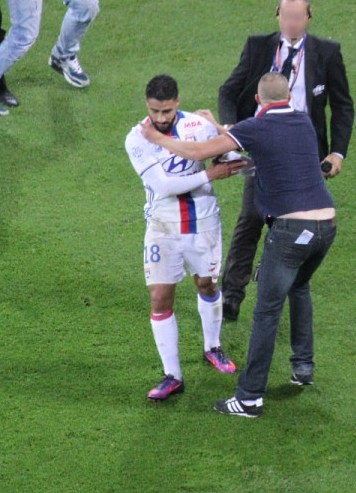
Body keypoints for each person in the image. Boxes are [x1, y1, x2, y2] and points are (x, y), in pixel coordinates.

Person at [141, 72, 339, 417]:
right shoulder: (303, 121)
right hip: (326, 227)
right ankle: (302, 366)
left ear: (259, 101)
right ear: (287, 97)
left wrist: (158, 138)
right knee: (301, 288)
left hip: (292, 231)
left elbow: (201, 151)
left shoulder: (255, 126)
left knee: (266, 311)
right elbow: (252, 146)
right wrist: (221, 127)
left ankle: (249, 398)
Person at [217, 0, 353, 320]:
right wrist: (232, 129)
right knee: (250, 218)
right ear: (277, 14)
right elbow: (229, 90)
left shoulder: (327, 53)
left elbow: (342, 105)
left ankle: (272, 274)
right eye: (285, 16)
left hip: (305, 154)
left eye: (297, 17)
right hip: (263, 148)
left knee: (290, 223)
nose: (291, 23)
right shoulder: (258, 47)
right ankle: (231, 297)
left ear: (308, 18)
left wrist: (337, 153)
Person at [125, 75, 244, 400]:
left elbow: (241, 159)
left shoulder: (199, 126)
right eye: (154, 111)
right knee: (160, 298)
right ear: (147, 106)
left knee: (207, 285)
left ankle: (212, 346)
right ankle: (172, 375)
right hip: (162, 228)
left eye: (166, 111)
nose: (160, 118)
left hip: (203, 224)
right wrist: (209, 173)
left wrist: (219, 129)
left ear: (177, 102)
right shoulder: (137, 138)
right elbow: (162, 186)